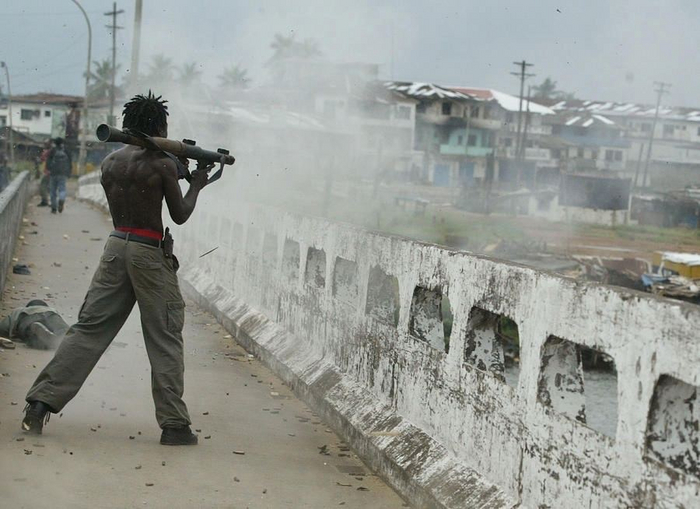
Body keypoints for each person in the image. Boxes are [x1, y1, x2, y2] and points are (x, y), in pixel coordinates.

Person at [22, 92, 212, 446]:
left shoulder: (110, 162)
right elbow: (180, 215)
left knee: (89, 329)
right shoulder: (162, 164)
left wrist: (177, 167)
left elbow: (135, 190)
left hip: (115, 248)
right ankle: (174, 425)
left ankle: (39, 403)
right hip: (149, 253)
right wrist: (197, 185)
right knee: (164, 336)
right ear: (159, 128)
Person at [0, 299, 68, 350]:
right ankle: (61, 338)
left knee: (30, 331)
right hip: (51, 315)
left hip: (29, 316)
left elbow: (3, 327)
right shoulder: (52, 309)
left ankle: (38, 337)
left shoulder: (20, 310)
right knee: (62, 329)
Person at [46, 137, 72, 213]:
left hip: (53, 173)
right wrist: (69, 172)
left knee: (53, 191)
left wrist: (49, 169)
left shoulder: (52, 151)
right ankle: (61, 199)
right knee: (62, 189)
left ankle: (54, 208)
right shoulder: (66, 151)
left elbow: (48, 162)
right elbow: (70, 162)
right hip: (63, 173)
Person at [37, 139, 52, 207]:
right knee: (49, 187)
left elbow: (41, 160)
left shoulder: (47, 152)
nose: (44, 145)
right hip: (50, 171)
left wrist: (39, 160)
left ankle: (45, 201)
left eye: (45, 144)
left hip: (47, 171)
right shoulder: (52, 151)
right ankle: (50, 201)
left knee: (43, 186)